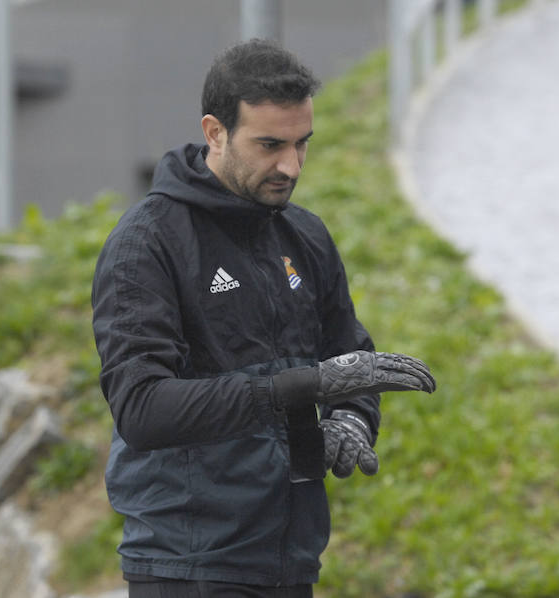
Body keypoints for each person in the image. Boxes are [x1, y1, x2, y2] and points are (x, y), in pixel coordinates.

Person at [91, 39, 436, 598]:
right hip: (188, 566)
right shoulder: (146, 243)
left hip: (292, 561)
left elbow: (348, 356)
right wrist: (302, 387)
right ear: (215, 132)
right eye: (270, 144)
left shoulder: (306, 235)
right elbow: (143, 408)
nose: (291, 165)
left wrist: (351, 416)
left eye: (303, 144)